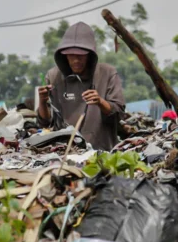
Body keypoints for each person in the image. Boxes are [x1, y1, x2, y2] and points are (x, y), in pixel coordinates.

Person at [37, 22, 125, 151]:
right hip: (65, 153)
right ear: (64, 55)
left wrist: (101, 102)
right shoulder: (53, 76)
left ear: (89, 55)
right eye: (71, 55)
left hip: (100, 152)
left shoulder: (107, 73)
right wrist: (42, 102)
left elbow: (119, 114)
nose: (76, 60)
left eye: (80, 55)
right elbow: (45, 123)